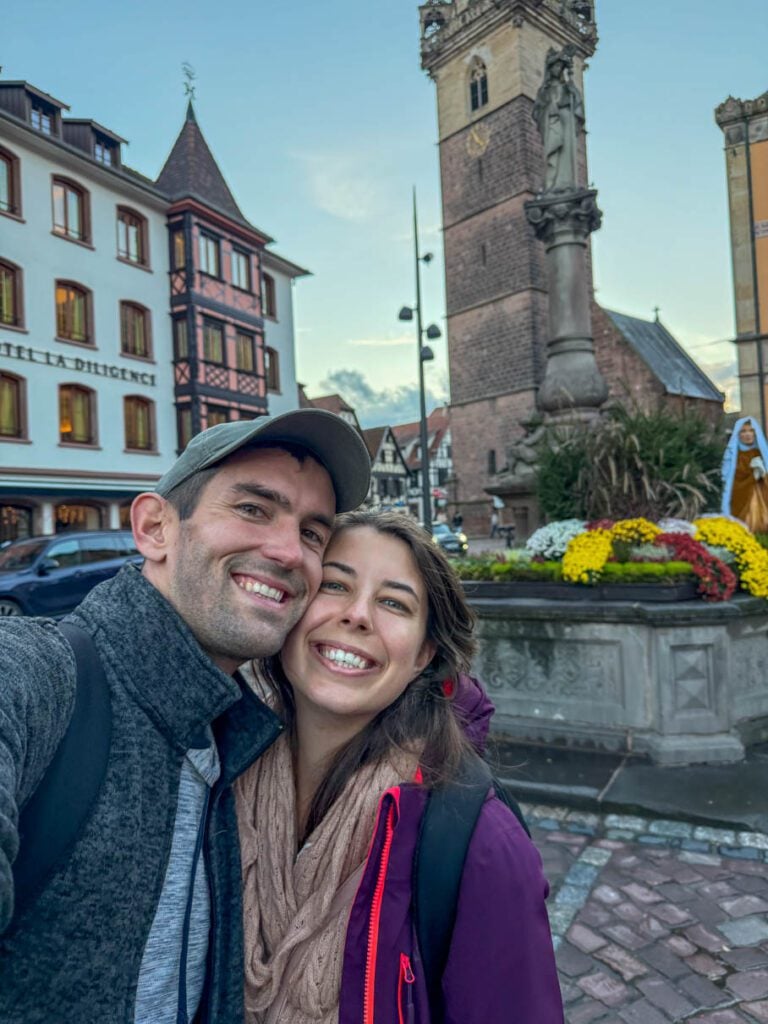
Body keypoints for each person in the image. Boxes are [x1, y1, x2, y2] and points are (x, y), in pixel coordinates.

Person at [0, 410, 371, 1024]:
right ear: (155, 528)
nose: (287, 551)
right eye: (253, 509)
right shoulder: (43, 676)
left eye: (312, 533)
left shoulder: (237, 730)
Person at [236, 510, 563, 1024]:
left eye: (393, 603)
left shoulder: (481, 846)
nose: (358, 614)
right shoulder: (218, 778)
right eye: (335, 585)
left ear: (423, 654)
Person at [721, 415, 768, 533]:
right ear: (738, 434)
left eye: (751, 431)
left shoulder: (761, 453)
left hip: (760, 498)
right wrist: (752, 474)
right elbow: (730, 478)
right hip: (739, 499)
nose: (748, 434)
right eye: (743, 431)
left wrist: (762, 474)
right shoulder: (733, 456)